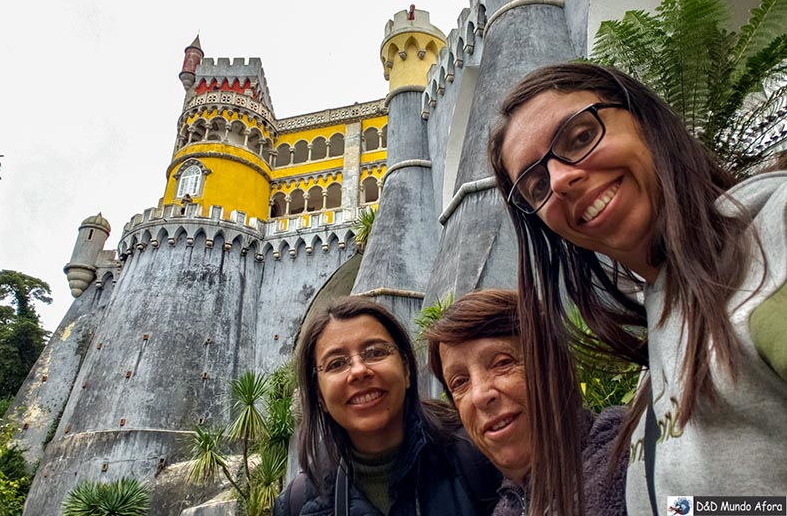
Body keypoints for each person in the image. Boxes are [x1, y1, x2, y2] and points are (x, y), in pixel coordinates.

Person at [487, 62, 787, 516]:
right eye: (536, 185)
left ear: (645, 120)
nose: (562, 179)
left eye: (581, 137)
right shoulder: (662, 340)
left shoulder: (772, 252)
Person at [273, 296, 500, 516]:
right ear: (319, 395)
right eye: (337, 363)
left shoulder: (479, 458)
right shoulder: (298, 503)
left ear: (406, 369)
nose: (359, 371)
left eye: (375, 352)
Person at [425, 289, 627, 516]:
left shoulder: (639, 460)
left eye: (502, 363)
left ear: (555, 367)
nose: (480, 395)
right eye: (460, 382)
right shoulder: (506, 510)